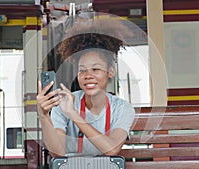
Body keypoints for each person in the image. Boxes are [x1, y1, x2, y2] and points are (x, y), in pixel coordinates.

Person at [37, 18, 135, 157]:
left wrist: (74, 114)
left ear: (111, 71)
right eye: (82, 70)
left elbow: (111, 150)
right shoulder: (64, 104)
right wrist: (43, 115)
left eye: (95, 69)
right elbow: (57, 153)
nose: (88, 75)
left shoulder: (122, 108)